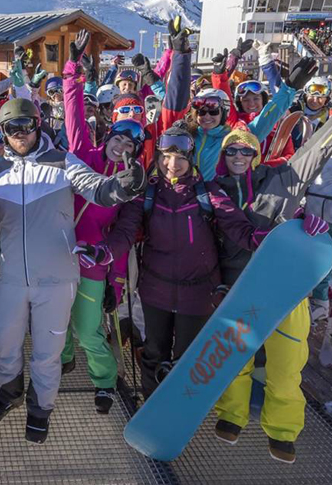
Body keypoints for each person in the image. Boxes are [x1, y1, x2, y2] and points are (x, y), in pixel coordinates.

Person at [211, 79, 332, 463]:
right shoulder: (215, 187)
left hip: (284, 286)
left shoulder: (282, 178)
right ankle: (232, 415)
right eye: (231, 149)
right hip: (238, 285)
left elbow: (317, 150)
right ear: (224, 154)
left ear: (255, 153)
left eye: (244, 149)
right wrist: (284, 231)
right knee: (236, 361)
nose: (238, 154)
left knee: (287, 363)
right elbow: (231, 226)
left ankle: (282, 430)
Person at [0, 96, 145, 444]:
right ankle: (9, 392)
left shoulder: (62, 162)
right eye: (12, 128)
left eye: (26, 126)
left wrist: (123, 186)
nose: (20, 134)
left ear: (38, 125)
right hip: (12, 276)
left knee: (48, 349)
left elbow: (96, 188)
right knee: (6, 342)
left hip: (56, 278)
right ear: (3, 132)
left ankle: (41, 407)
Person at [103, 126, 263, 399]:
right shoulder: (147, 193)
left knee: (188, 355)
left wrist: (277, 238)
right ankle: (151, 405)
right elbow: (126, 231)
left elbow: (239, 228)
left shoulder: (206, 191)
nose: (172, 165)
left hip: (198, 292)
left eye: (180, 159)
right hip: (156, 290)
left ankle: (180, 406)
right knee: (154, 352)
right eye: (166, 157)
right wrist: (104, 253)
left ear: (191, 161)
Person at [58, 31, 150, 413]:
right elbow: (73, 110)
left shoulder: (133, 182)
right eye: (118, 138)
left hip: (93, 262)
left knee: (88, 329)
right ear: (108, 135)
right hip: (58, 253)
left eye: (131, 144)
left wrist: (110, 267)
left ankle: (104, 381)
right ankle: (61, 358)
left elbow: (126, 231)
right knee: (54, 321)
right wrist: (73, 68)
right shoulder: (84, 154)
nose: (122, 146)